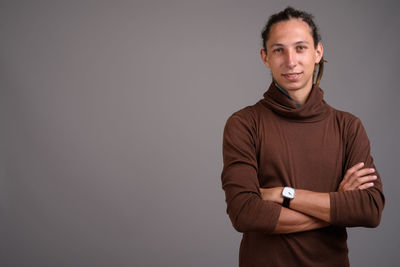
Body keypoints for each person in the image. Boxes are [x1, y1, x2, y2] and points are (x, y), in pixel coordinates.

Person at [221, 6, 385, 267]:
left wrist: (283, 194)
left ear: (318, 52)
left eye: (300, 48)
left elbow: (370, 209)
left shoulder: (348, 126)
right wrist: (336, 208)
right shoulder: (244, 124)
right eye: (278, 50)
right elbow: (245, 213)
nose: (290, 61)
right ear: (265, 57)